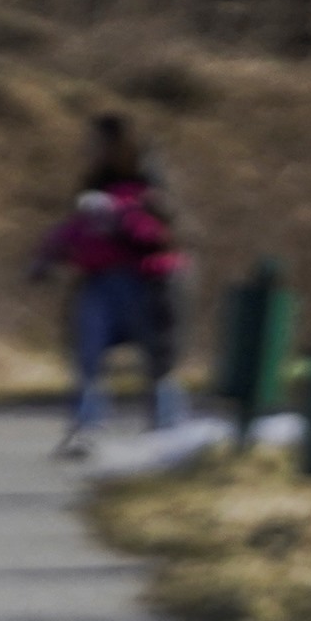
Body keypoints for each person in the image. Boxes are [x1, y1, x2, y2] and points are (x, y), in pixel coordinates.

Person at [34, 112, 187, 456]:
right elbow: (74, 228)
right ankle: (85, 428)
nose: (89, 149)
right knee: (87, 355)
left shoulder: (150, 185)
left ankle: (168, 428)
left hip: (145, 282)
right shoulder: (93, 186)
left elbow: (163, 233)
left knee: (157, 358)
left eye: (96, 142)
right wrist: (48, 255)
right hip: (98, 280)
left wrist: (119, 216)